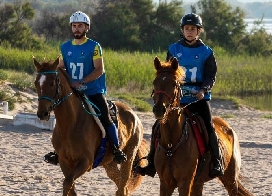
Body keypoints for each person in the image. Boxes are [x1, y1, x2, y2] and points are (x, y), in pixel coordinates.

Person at [136, 13, 224, 178]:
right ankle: (151, 163)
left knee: (208, 126)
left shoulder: (206, 52)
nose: (189, 32)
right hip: (177, 99)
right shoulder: (174, 49)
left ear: (199, 31)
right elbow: (168, 73)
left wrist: (203, 90)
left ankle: (217, 161)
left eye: (193, 29)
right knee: (157, 126)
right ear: (182, 30)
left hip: (198, 98)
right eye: (186, 29)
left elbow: (210, 76)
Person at [44, 11, 127, 165]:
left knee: (105, 117)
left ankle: (116, 149)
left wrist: (81, 82)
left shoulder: (94, 46)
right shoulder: (65, 47)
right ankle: (58, 151)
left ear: (86, 27)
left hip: (93, 90)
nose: (76, 29)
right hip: (73, 92)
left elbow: (99, 69)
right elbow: (62, 68)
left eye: (80, 26)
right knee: (63, 117)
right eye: (74, 26)